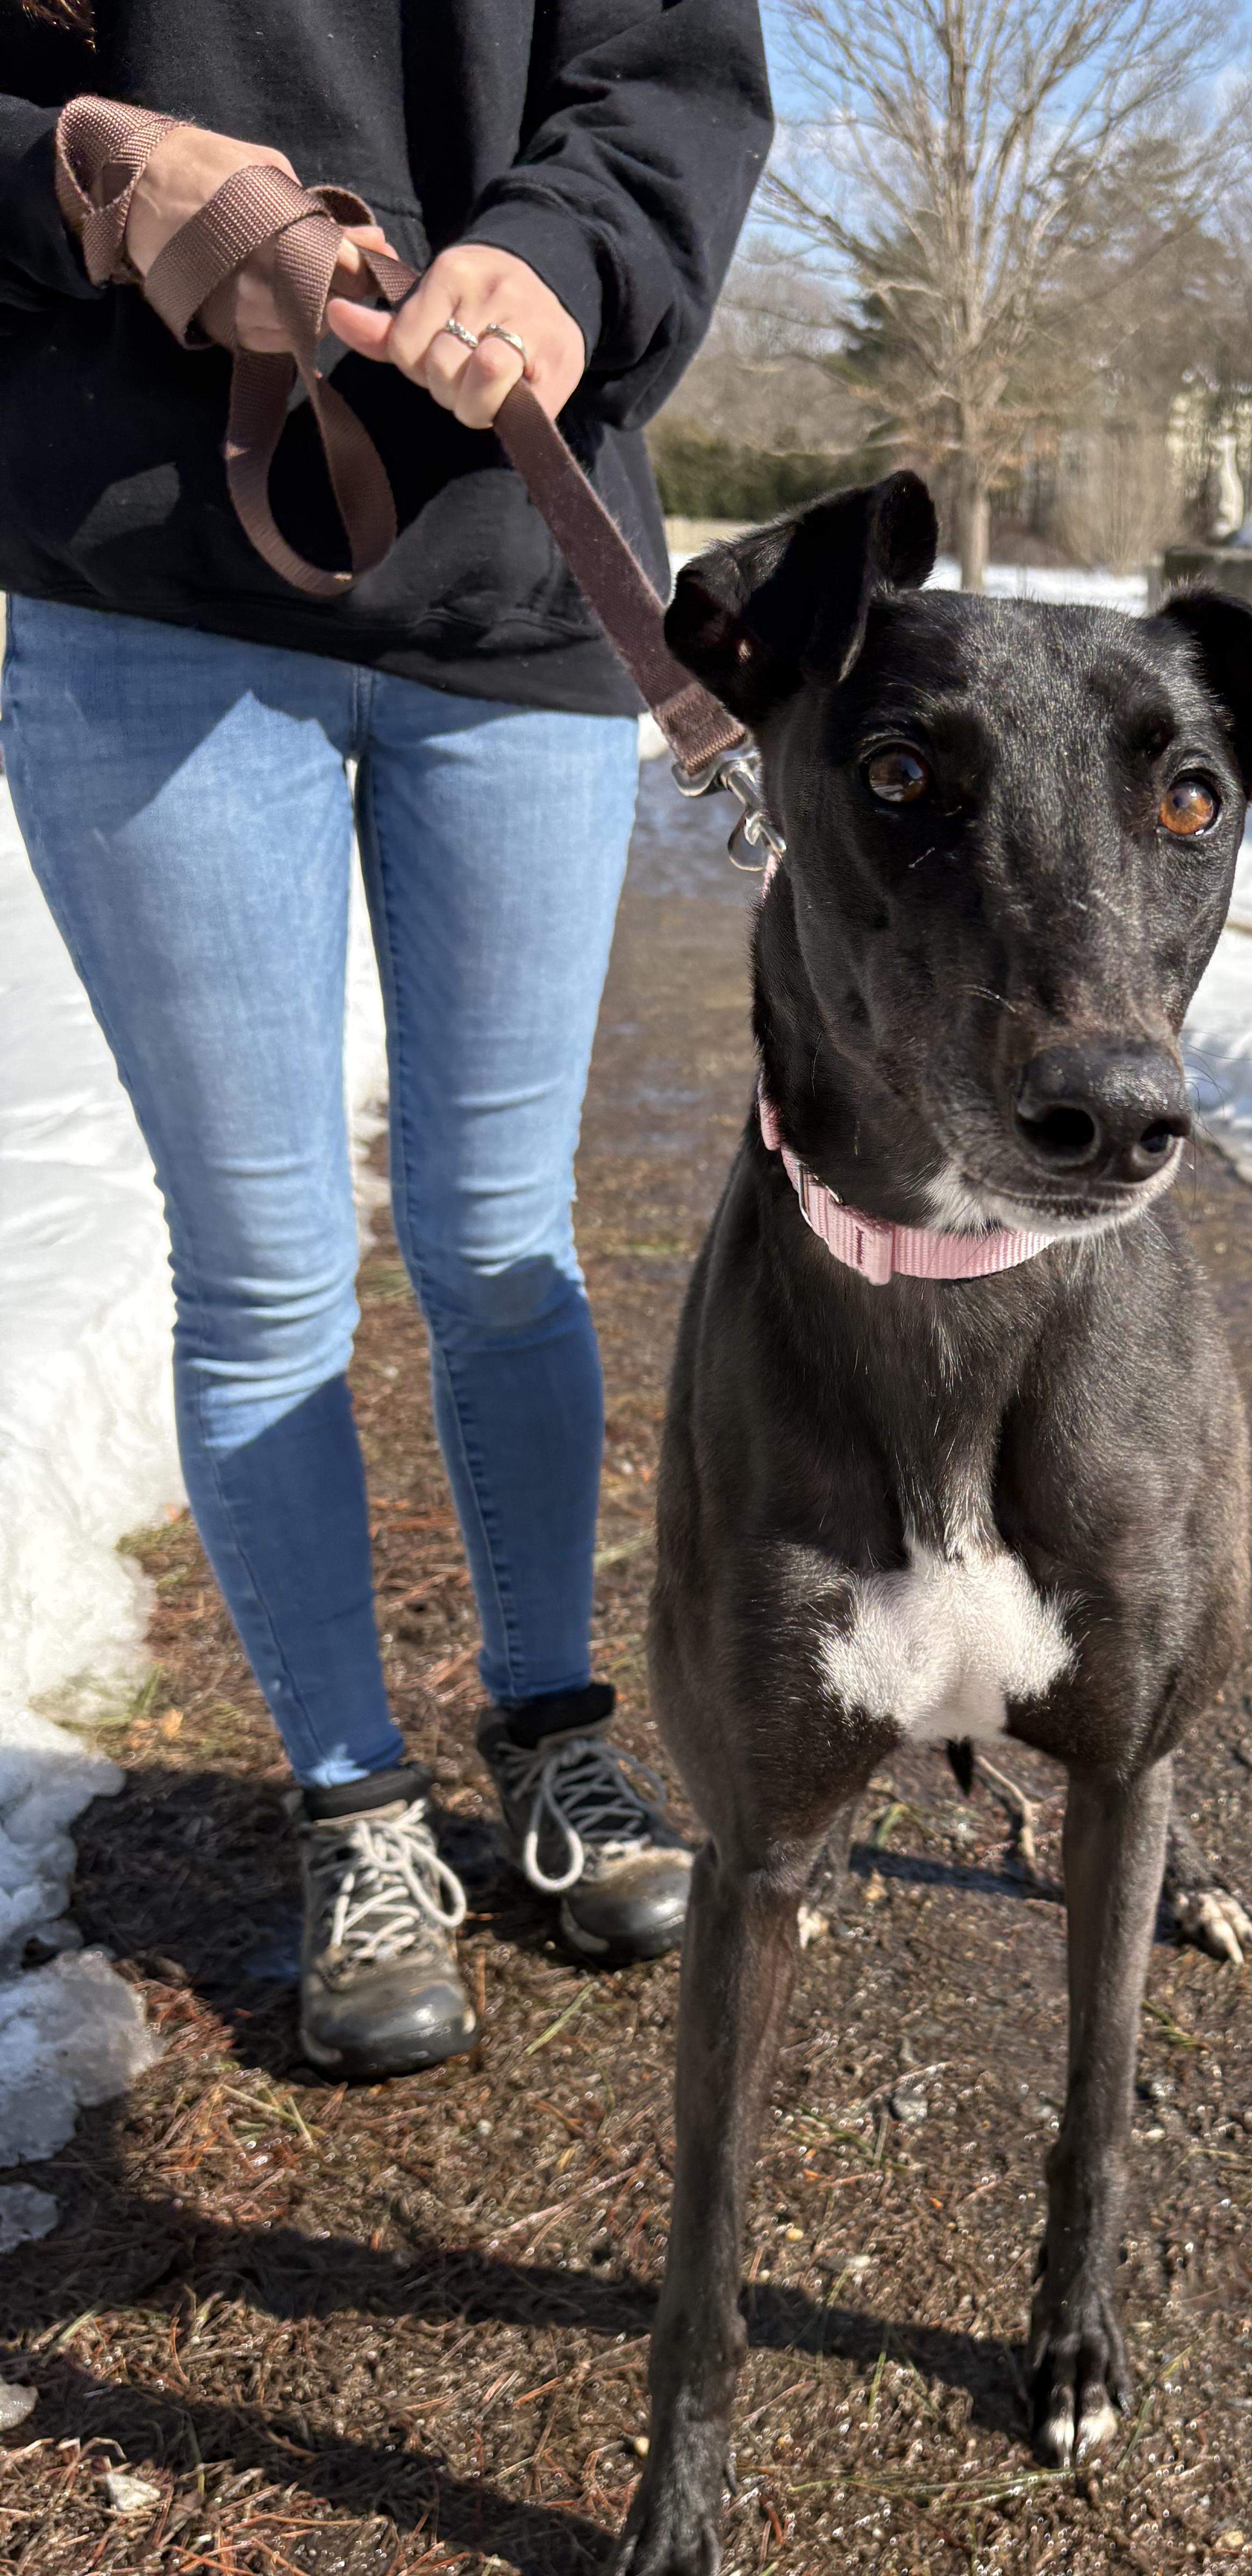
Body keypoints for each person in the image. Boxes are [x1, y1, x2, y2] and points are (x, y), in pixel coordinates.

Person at [0, 5, 772, 2078]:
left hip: (515, 584)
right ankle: (351, 1809)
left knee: (500, 1240)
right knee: (262, 1268)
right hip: (140, 588)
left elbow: (666, 78)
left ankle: (551, 1740)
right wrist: (88, 182)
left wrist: (561, 254)